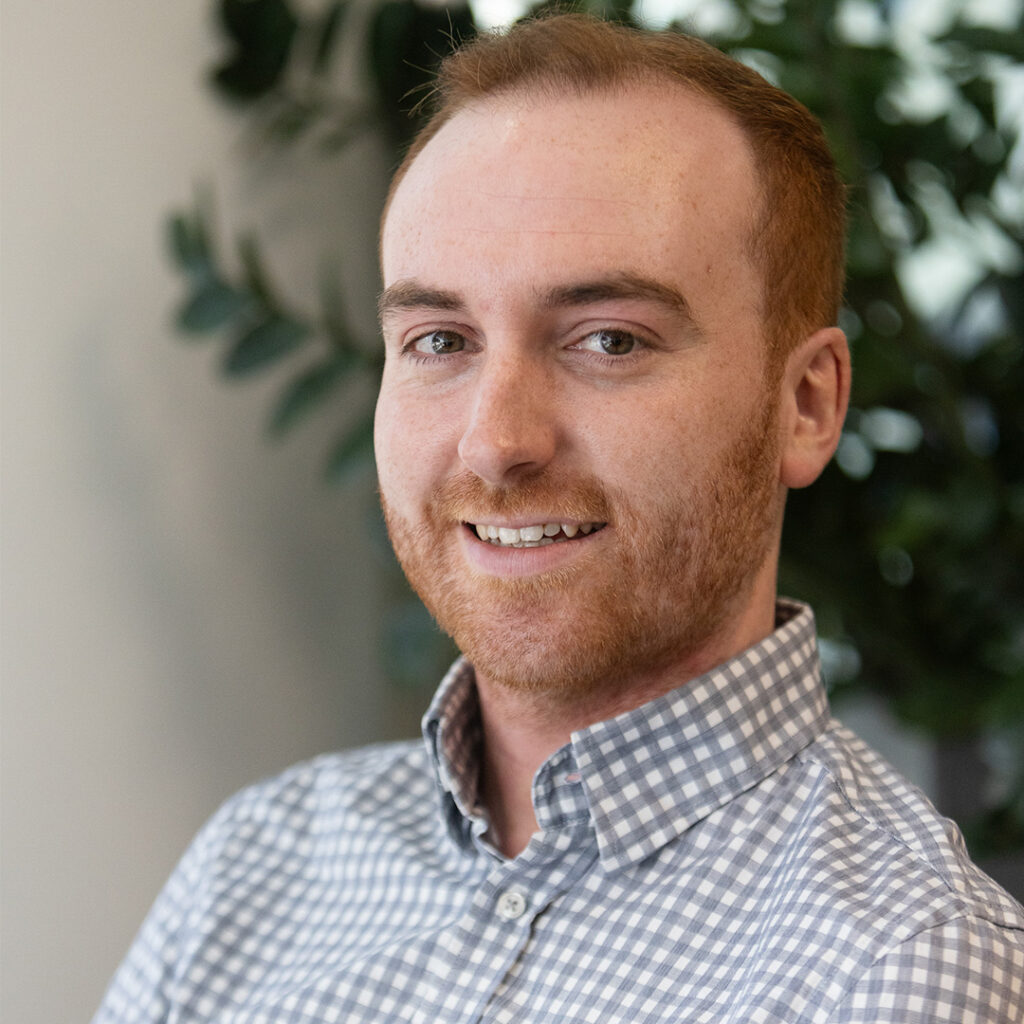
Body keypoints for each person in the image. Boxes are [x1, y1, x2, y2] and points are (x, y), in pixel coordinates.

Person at [94, 14, 1024, 1023]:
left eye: (610, 340)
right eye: (440, 339)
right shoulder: (256, 865)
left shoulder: (896, 966)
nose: (495, 442)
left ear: (806, 405)